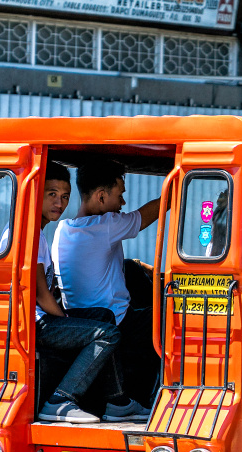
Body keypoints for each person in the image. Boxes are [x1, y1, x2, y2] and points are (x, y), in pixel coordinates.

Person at [32, 161, 145, 423]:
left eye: (64, 197)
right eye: (51, 195)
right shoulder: (34, 237)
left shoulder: (52, 232)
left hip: (42, 318)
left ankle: (117, 401)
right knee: (108, 333)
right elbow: (40, 294)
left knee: (103, 316)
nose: (59, 203)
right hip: (40, 323)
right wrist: (66, 322)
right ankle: (60, 400)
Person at [52, 159, 159, 412]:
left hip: (81, 318)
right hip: (116, 321)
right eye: (119, 195)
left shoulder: (62, 230)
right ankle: (159, 397)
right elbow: (146, 216)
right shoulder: (107, 225)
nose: (123, 203)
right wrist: (177, 186)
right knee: (167, 315)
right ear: (101, 197)